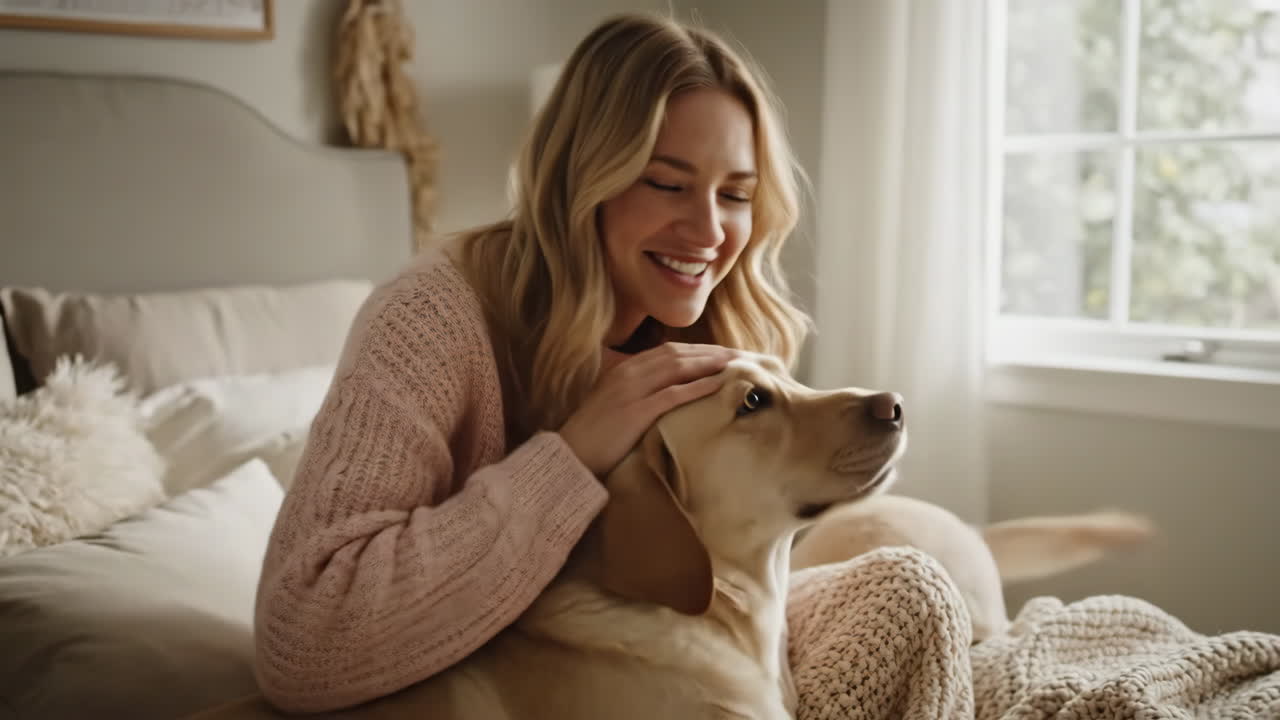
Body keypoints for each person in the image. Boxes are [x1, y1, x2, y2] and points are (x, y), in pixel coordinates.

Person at [254, 12, 972, 718]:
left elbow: (728, 577)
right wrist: (569, 458)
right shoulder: (430, 321)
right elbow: (305, 643)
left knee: (909, 588)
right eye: (667, 183)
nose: (711, 233)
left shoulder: (721, 325)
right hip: (531, 685)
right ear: (582, 180)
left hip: (665, 659)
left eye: (737, 195)